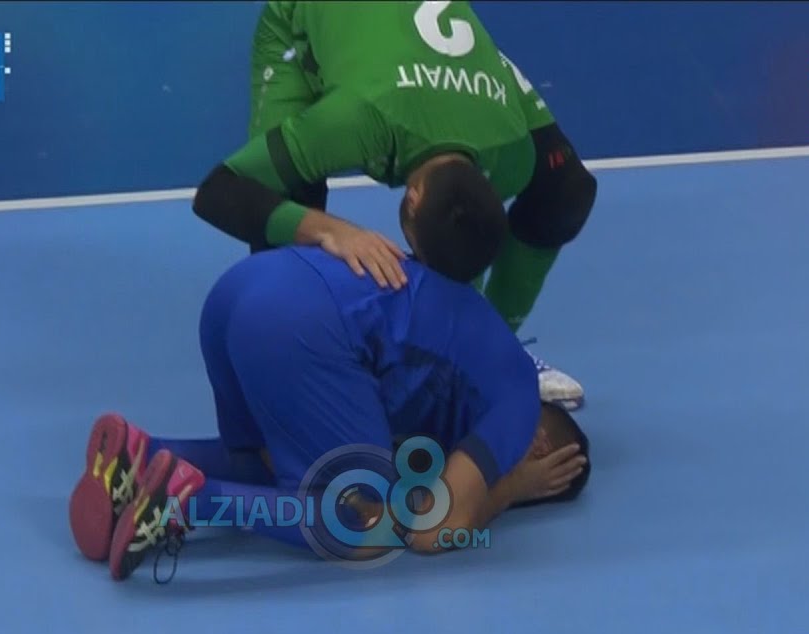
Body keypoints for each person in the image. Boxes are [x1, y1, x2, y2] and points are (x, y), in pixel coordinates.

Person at [67, 237, 592, 582]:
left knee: (274, 464)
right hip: (296, 324)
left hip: (243, 288)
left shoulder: (465, 380)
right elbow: (431, 532)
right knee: (366, 524)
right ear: (543, 446)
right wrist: (512, 489)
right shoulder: (518, 405)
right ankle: (191, 501)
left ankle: (140, 455)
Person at [191, 0, 598, 410]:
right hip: (312, 29)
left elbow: (462, 233)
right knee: (285, 209)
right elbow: (218, 192)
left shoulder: (512, 151)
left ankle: (492, 349)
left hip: (435, 66)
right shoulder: (355, 121)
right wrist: (331, 230)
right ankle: (299, 368)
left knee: (563, 189)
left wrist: (475, 344)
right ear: (412, 200)